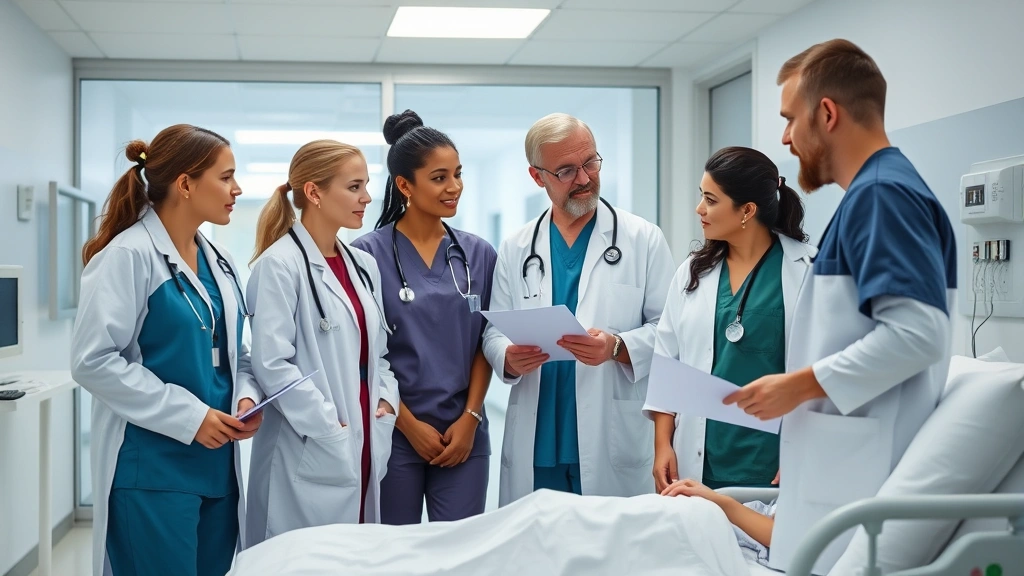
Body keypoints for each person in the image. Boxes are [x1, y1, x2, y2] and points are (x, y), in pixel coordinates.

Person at [722, 39, 957, 572]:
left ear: (826, 113)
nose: (784, 138)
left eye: (789, 120)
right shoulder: (872, 197)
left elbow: (919, 334)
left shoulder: (883, 196)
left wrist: (795, 387)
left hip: (860, 481)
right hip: (841, 471)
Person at [71, 124, 262, 576]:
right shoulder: (128, 255)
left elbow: (235, 353)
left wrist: (247, 395)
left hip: (217, 469)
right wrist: (191, 416)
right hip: (153, 471)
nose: (237, 189)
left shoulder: (221, 262)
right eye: (226, 176)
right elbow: (92, 361)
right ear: (185, 184)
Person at [482, 113, 674, 504]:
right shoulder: (518, 246)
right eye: (567, 170)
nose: (585, 179)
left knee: (608, 556)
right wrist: (508, 357)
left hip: (611, 433)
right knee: (538, 554)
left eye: (590, 162)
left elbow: (671, 334)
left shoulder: (643, 239)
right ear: (538, 177)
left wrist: (616, 347)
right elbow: (493, 330)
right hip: (538, 441)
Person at [244, 140, 399, 546]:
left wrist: (385, 402)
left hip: (365, 434)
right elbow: (272, 364)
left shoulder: (363, 266)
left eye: (366, 185)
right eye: (353, 187)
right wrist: (328, 425)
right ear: (313, 193)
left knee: (355, 556)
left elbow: (378, 352)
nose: (367, 197)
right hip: (311, 444)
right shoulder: (278, 265)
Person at [351, 110, 497, 524]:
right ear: (404, 185)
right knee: (395, 557)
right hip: (395, 432)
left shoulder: (479, 254)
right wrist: (409, 425)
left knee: (460, 555)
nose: (454, 188)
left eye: (458, 174)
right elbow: (363, 353)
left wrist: (470, 419)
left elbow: (487, 342)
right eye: (439, 178)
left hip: (463, 435)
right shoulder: (366, 255)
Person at [643, 147, 815, 494]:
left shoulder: (809, 271)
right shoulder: (693, 272)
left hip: (775, 460)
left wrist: (808, 449)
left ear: (747, 211)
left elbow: (822, 369)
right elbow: (667, 362)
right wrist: (663, 443)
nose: (699, 209)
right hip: (700, 457)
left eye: (711, 199)